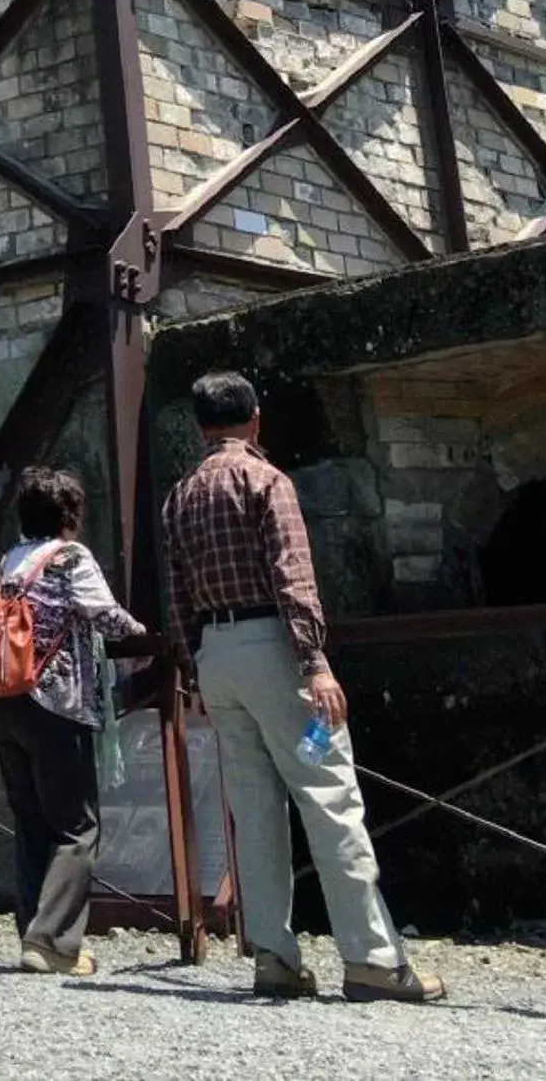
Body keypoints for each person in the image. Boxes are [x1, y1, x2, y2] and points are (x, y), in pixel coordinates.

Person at [162, 369, 445, 1006]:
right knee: (329, 797)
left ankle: (273, 955)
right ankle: (371, 958)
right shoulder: (266, 480)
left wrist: (194, 667)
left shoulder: (179, 495)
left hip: (216, 653)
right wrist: (314, 661)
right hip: (274, 652)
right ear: (255, 418)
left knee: (254, 811)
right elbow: (293, 577)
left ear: (202, 427)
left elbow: (176, 596)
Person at [0, 462, 145, 976]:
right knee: (76, 827)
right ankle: (52, 942)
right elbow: (103, 614)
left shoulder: (9, 560)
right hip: (56, 704)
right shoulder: (69, 557)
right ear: (69, 515)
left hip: (3, 701)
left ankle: (35, 935)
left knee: (32, 825)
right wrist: (143, 637)